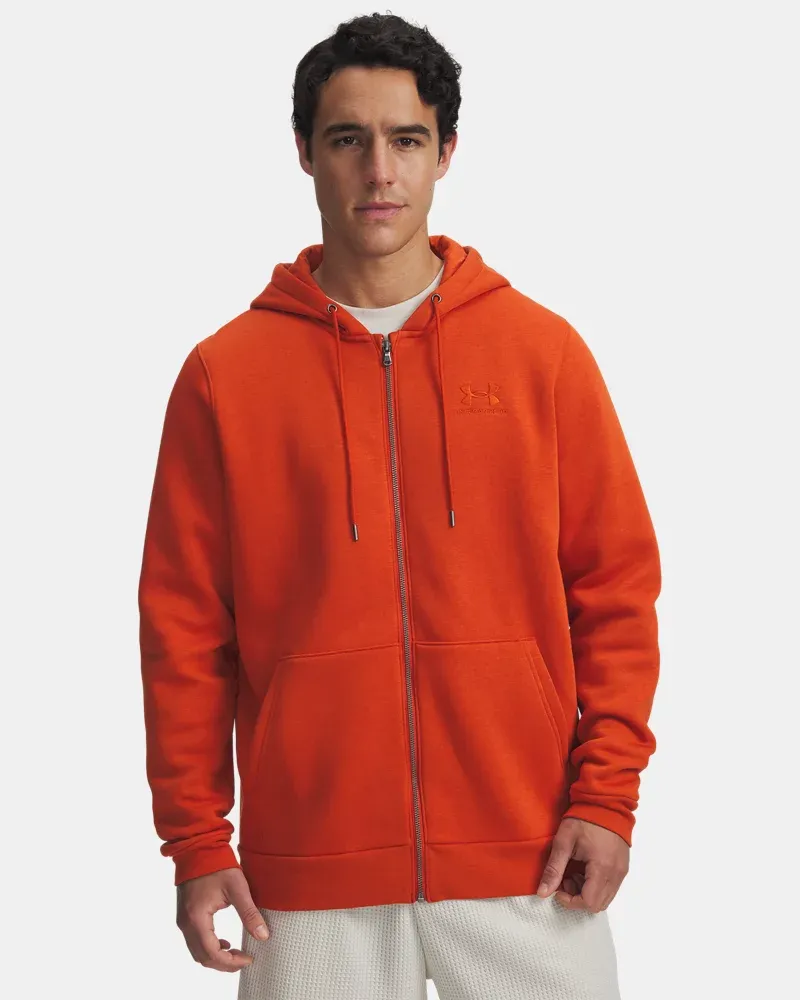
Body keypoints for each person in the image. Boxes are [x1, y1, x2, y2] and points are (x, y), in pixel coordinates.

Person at [137, 12, 661, 1000]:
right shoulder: (224, 377)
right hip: (308, 877)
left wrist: (606, 799)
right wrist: (197, 841)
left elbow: (616, 592)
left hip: (528, 862)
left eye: (406, 139)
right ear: (304, 151)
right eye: (348, 139)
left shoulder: (540, 354)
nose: (379, 171)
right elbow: (184, 628)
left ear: (445, 152)